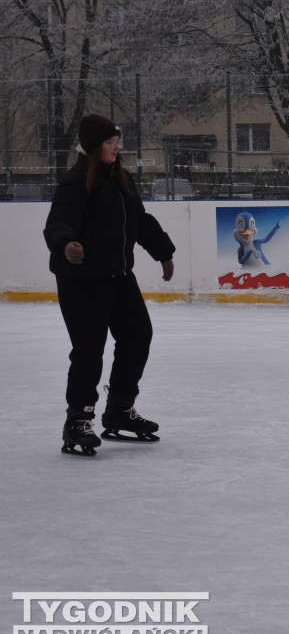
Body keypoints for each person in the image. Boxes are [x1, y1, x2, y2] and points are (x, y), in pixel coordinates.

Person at [43, 114, 176, 457]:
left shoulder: (120, 179)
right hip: (81, 280)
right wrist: (66, 244)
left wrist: (163, 252)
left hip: (118, 275)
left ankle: (119, 408)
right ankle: (78, 419)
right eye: (109, 142)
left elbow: (140, 221)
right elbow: (58, 222)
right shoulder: (76, 183)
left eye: (117, 141)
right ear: (93, 146)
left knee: (137, 335)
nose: (116, 147)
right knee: (89, 349)